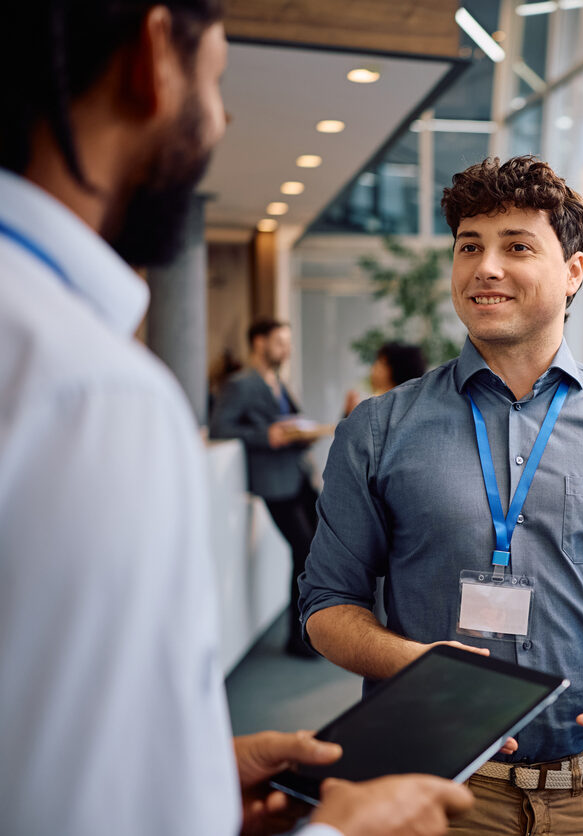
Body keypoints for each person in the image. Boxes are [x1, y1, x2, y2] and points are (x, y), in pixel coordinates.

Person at [0, 1, 473, 832]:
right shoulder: (89, 390)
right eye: (216, 81)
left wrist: (194, 784)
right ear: (153, 57)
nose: (220, 119)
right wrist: (341, 831)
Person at [299, 155, 583, 835]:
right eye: (470, 246)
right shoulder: (378, 428)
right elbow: (326, 606)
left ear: (573, 272)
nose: (485, 267)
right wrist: (418, 666)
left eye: (516, 246)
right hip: (430, 790)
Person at [211, 318, 324, 658]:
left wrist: (301, 433)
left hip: (298, 475)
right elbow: (219, 428)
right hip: (274, 484)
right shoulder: (241, 384)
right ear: (258, 343)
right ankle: (299, 637)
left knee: (317, 549)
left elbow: (289, 423)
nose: (286, 349)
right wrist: (266, 436)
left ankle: (308, 631)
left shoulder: (279, 383)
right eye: (280, 342)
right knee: (304, 551)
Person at [343, 340, 427, 415]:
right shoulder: (410, 407)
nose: (373, 367)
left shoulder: (382, 411)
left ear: (397, 369)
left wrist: (356, 416)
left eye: (381, 362)